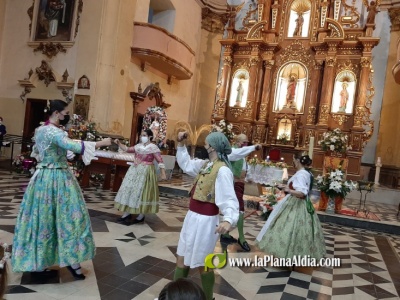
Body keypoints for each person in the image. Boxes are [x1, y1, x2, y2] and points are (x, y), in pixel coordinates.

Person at [12, 100, 112, 280]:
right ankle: (73, 261)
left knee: (42, 219)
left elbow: (39, 151)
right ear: (57, 113)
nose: (67, 116)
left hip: (42, 178)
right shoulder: (53, 131)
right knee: (70, 218)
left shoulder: (41, 129)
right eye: (65, 113)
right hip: (58, 178)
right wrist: (100, 143)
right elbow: (74, 147)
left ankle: (40, 262)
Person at [173, 131, 239, 300]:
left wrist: (228, 219)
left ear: (213, 147)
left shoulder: (222, 170)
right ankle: (175, 295)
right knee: (182, 255)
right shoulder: (205, 164)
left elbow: (230, 199)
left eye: (207, 143)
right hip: (191, 217)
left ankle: (209, 298)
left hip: (206, 222)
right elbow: (186, 164)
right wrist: (181, 145)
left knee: (204, 263)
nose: (204, 145)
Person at [256, 153, 326, 265]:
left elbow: (302, 192)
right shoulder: (305, 173)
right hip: (299, 203)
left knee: (289, 228)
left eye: (294, 159)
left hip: (296, 204)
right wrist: (286, 187)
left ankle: (290, 254)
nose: (293, 162)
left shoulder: (302, 174)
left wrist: (288, 190)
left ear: (298, 161)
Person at [114, 129, 167, 224]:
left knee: (143, 192)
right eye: (141, 135)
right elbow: (127, 149)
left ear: (150, 137)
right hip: (135, 170)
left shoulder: (153, 147)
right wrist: (119, 143)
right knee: (129, 190)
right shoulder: (138, 146)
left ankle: (141, 215)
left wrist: (163, 173)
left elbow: (160, 160)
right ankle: (127, 213)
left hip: (146, 171)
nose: (142, 137)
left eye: (144, 135)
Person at [220, 134, 262, 252]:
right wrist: (254, 147)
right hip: (233, 185)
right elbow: (236, 158)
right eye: (244, 142)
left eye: (247, 142)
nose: (246, 144)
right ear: (237, 142)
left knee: (236, 208)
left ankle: (225, 234)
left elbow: (243, 168)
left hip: (240, 184)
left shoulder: (241, 154)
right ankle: (242, 238)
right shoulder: (232, 151)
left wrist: (248, 178)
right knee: (240, 209)